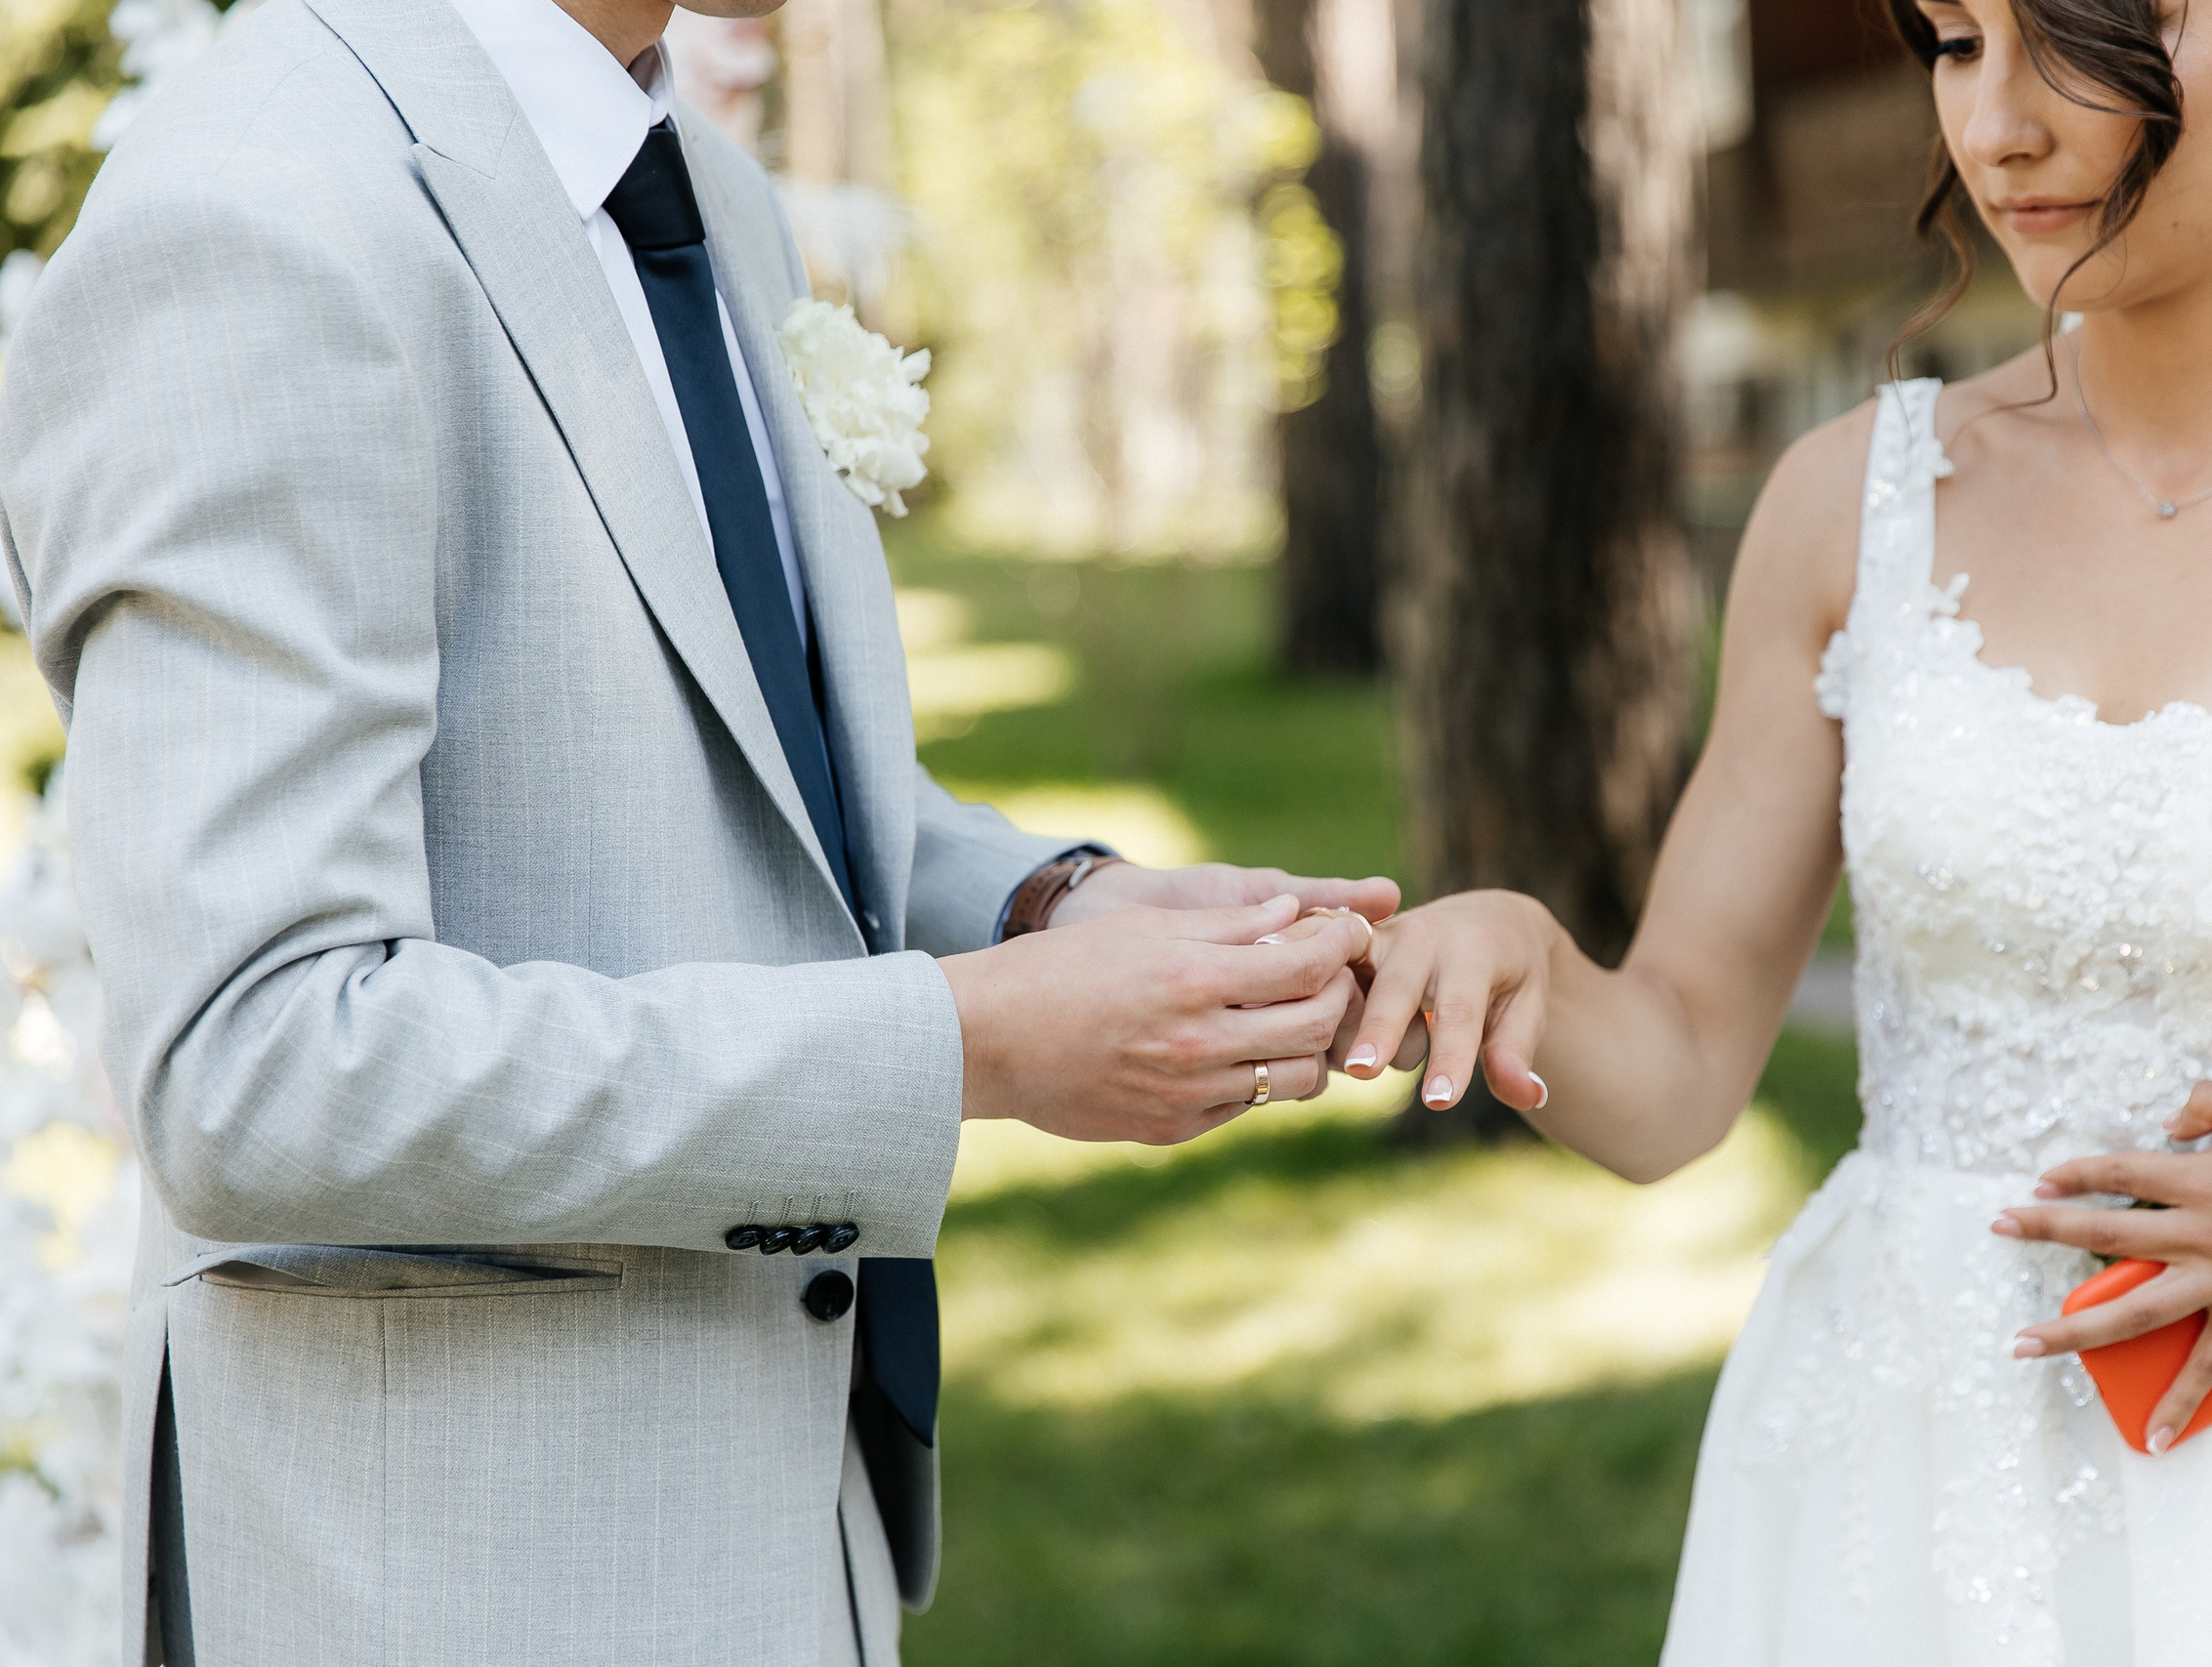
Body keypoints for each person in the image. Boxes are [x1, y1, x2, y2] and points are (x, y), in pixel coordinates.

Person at [0, 1, 1394, 1663]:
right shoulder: (257, 205)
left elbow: (743, 787)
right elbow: (261, 1057)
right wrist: (971, 1047)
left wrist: (1050, 909)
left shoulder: (706, 188)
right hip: (455, 1584)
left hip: (793, 1522)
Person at [1345, 0, 2212, 1659]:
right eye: (1957, 39)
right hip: (1902, 1477)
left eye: (2086, 36)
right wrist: (1523, 962)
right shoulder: (1851, 504)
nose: (1997, 125)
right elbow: (1670, 1072)